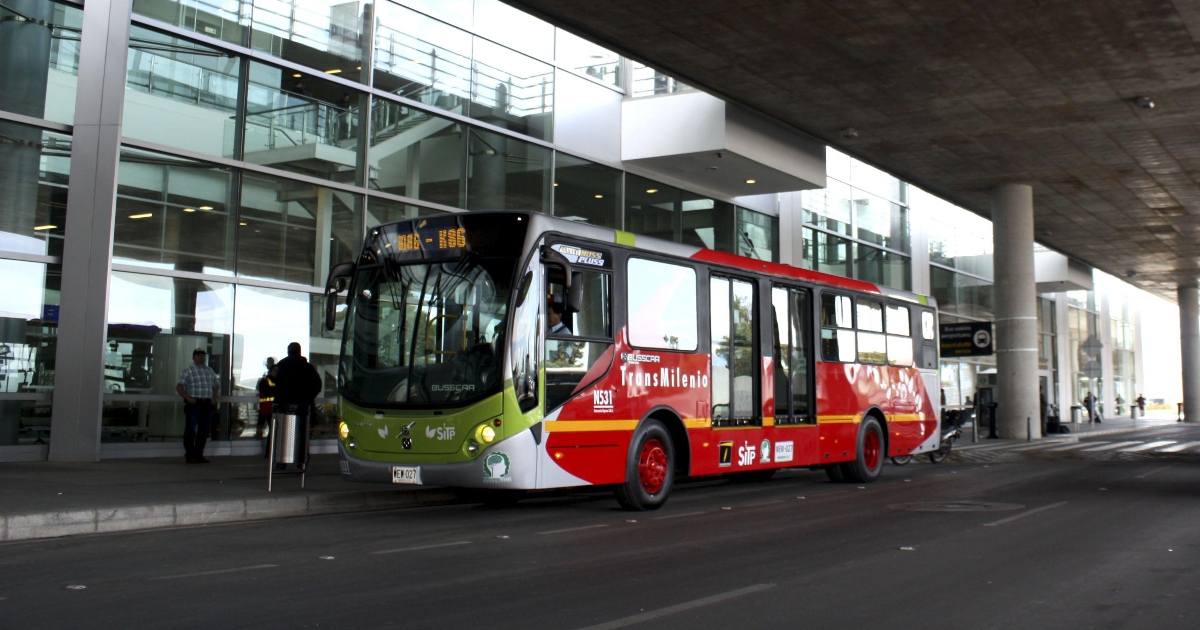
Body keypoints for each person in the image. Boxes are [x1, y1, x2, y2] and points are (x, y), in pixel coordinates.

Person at [273, 342, 322, 471]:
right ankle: (301, 461)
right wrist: (308, 397)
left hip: (285, 407)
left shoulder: (282, 367)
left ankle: (281, 462)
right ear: (299, 351)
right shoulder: (307, 368)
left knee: (283, 434)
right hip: (303, 407)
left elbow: (277, 387)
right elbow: (317, 385)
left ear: (288, 351)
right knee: (302, 435)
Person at [175, 348, 219, 464]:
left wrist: (214, 398)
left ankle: (199, 455)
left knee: (204, 431)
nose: (201, 357)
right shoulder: (188, 370)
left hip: (207, 403)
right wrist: (188, 398)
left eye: (203, 355)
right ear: (193, 357)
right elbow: (179, 386)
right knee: (190, 430)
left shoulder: (210, 371)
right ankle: (190, 455)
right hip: (195, 403)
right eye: (198, 355)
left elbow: (215, 385)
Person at [256, 358, 277, 457]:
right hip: (267, 409)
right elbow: (267, 392)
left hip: (273, 410)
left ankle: (270, 452)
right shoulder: (265, 381)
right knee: (269, 430)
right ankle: (268, 452)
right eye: (275, 371)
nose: (276, 373)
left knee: (272, 431)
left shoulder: (277, 381)